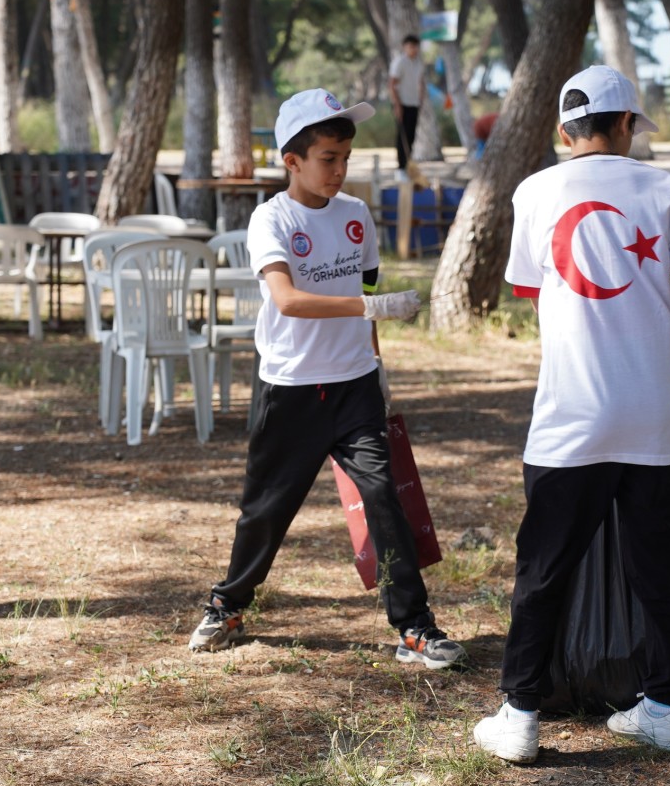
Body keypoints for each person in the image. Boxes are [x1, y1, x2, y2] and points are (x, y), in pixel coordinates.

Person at [473, 66, 670, 763]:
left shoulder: (536, 190)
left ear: (562, 131)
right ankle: (665, 709)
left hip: (570, 415)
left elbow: (529, 286)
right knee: (661, 566)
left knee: (543, 568)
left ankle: (520, 715)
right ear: (628, 126)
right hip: (650, 414)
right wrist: (647, 297)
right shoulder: (663, 188)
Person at [188, 87, 466, 671]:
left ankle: (414, 628)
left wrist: (377, 363)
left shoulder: (358, 217)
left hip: (355, 386)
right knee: (266, 509)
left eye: (345, 158)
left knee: (383, 499)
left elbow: (363, 292)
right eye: (328, 159)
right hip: (290, 389)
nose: (340, 171)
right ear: (292, 161)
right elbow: (287, 300)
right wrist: (371, 311)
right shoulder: (272, 218)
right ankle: (229, 604)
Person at [388, 34, 424, 180]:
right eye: (410, 46)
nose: (413, 49)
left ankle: (408, 166)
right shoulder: (400, 62)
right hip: (401, 103)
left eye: (415, 46)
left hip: (413, 103)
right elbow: (392, 84)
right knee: (402, 136)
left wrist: (421, 99)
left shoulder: (418, 63)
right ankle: (400, 169)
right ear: (405, 47)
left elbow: (420, 82)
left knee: (411, 136)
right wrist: (397, 105)